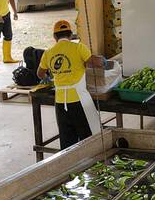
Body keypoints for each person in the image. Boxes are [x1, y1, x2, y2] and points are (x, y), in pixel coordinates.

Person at [38, 19, 106, 148]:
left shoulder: (48, 52)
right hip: (78, 101)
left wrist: (48, 77)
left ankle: (70, 165)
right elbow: (95, 62)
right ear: (70, 35)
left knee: (67, 142)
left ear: (54, 37)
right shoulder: (78, 47)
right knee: (88, 139)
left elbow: (40, 73)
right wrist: (102, 61)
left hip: (60, 103)